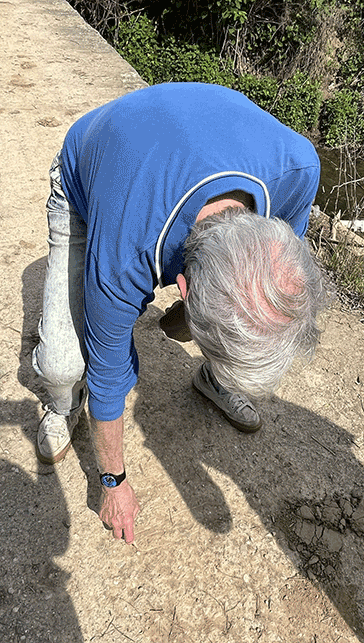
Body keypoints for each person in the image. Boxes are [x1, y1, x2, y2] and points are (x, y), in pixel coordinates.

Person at [32, 82, 324, 543]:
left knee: (250, 320)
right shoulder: (126, 251)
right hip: (87, 181)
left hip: (184, 149)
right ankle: (63, 404)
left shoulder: (298, 170)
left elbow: (275, 281)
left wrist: (214, 331)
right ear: (181, 289)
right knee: (63, 366)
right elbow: (109, 372)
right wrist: (113, 480)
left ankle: (212, 377)